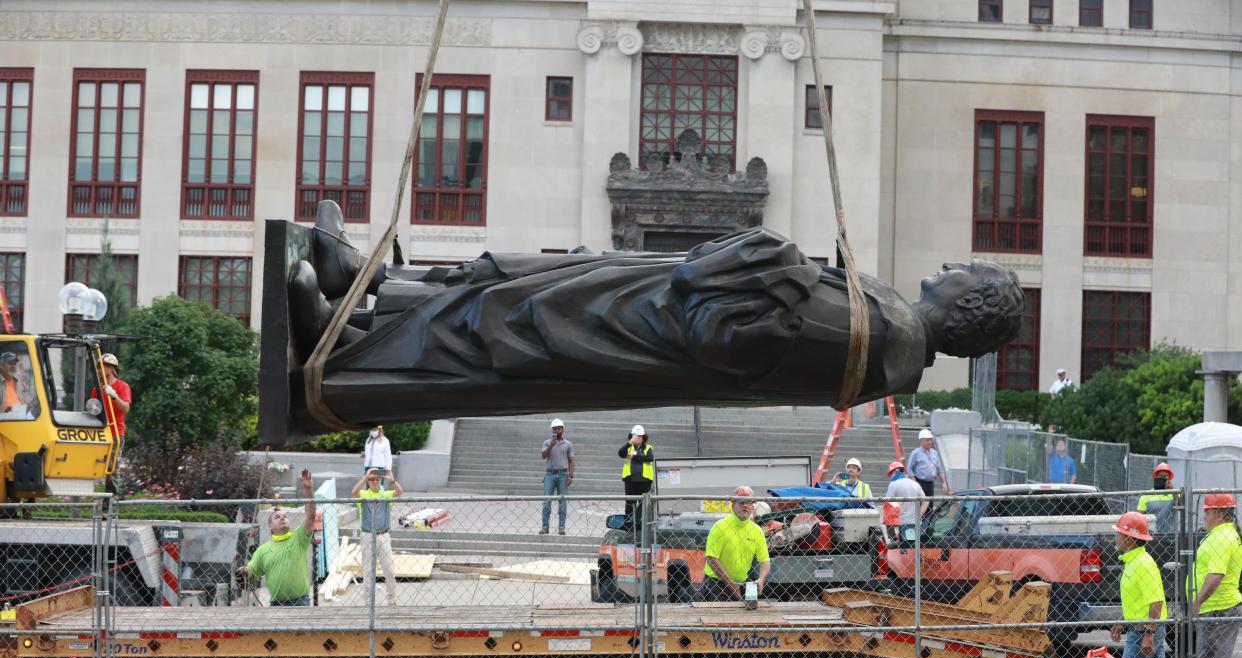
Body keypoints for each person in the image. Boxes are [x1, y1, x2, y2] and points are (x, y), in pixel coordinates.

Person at [265, 200, 1025, 441]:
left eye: (960, 270)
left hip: (648, 326)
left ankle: (348, 337)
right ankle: (363, 292)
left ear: (968, 304)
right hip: (653, 306)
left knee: (505, 315)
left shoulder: (880, 338)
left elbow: (733, 337)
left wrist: (772, 255)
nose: (943, 266)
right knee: (525, 274)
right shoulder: (888, 327)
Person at [240, 469, 316, 658]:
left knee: (295, 648)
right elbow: (252, 571)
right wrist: (244, 573)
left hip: (299, 602)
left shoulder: (298, 539)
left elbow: (311, 515)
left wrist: (308, 488)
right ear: (270, 526)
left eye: (285, 516)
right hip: (277, 604)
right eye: (277, 517)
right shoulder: (264, 550)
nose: (283, 518)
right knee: (278, 649)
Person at [1109, 511, 1178, 658]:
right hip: (1140, 627)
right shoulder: (1133, 561)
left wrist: (1149, 633)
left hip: (1144, 631)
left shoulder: (1143, 564)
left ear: (1129, 539)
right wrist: (1122, 621)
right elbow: (1136, 599)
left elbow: (1156, 601)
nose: (1116, 538)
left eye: (1119, 534)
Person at [1187, 493, 1242, 658]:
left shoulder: (1222, 538)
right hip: (1220, 606)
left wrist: (1198, 602)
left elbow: (1216, 575)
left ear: (1220, 514)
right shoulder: (1227, 535)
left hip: (1217, 608)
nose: (1205, 516)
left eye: (1208, 512)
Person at [700, 485, 771, 601]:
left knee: (748, 616)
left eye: (748, 502)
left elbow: (765, 560)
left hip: (742, 582)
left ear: (752, 505)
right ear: (733, 505)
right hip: (717, 583)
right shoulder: (720, 527)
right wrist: (730, 584)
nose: (745, 505)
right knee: (720, 618)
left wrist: (761, 579)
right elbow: (711, 558)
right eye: (741, 502)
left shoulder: (756, 531)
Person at [351, 467, 404, 607]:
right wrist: (365, 477)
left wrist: (392, 480)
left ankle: (391, 600)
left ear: (380, 481)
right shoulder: (364, 494)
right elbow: (354, 492)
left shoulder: (385, 495)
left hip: (384, 535)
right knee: (368, 570)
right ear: (368, 482)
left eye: (377, 479)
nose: (375, 482)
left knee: (389, 570)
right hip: (367, 535)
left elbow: (399, 492)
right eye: (372, 480)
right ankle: (369, 603)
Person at [91, 353, 131, 451]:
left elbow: (125, 409)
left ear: (111, 368)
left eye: (101, 368)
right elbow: (94, 413)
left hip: (115, 434)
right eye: (98, 368)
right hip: (100, 434)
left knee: (111, 466)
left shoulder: (122, 386)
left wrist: (114, 396)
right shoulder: (96, 390)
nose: (98, 371)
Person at [540, 418, 574, 535]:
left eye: (559, 428)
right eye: (554, 428)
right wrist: (551, 445)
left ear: (562, 429)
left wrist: (571, 476)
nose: (557, 430)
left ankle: (561, 527)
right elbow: (543, 456)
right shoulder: (547, 442)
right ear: (552, 430)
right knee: (546, 501)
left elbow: (571, 460)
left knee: (562, 502)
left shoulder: (568, 444)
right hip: (550, 474)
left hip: (563, 474)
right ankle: (545, 527)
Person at [618, 424, 654, 532]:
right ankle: (629, 528)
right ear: (632, 436)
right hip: (630, 481)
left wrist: (634, 457)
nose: (638, 438)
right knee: (630, 504)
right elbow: (620, 453)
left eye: (640, 436)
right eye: (636, 436)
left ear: (644, 437)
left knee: (644, 506)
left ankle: (644, 528)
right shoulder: (628, 447)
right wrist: (630, 443)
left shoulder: (648, 448)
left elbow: (649, 458)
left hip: (645, 481)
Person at [884, 461, 926, 542]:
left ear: (895, 472)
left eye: (891, 474)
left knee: (906, 549)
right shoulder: (915, 484)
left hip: (903, 522)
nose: (891, 477)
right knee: (914, 546)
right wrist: (918, 517)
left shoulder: (893, 485)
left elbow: (888, 506)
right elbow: (926, 502)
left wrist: (891, 533)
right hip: (916, 523)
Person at [907, 429, 950, 497]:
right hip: (920, 483)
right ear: (921, 441)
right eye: (927, 440)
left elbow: (939, 469)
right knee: (921, 504)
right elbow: (909, 469)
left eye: (930, 440)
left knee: (930, 505)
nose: (929, 442)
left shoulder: (934, 453)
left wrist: (944, 482)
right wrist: (915, 484)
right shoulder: (916, 453)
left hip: (930, 484)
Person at [0, 349, 39, 419]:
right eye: (9, 363)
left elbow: (29, 404)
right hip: (5, 422)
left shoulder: (18, 383)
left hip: (21, 419)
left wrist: (38, 397)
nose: (13, 366)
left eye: (14, 363)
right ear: (1, 366)